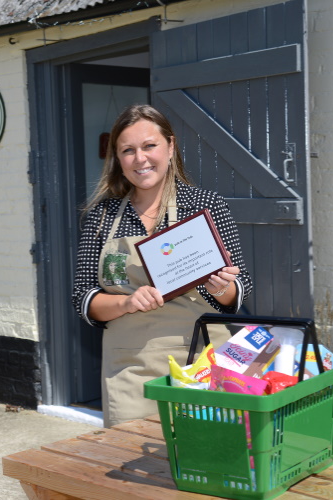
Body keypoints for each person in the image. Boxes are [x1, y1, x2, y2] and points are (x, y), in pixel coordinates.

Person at [72, 104, 253, 427]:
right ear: (118, 159)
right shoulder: (103, 216)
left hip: (200, 363)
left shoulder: (205, 206)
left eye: (149, 146)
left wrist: (222, 286)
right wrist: (126, 302)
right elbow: (84, 299)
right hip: (131, 370)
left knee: (206, 461)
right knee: (132, 465)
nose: (140, 158)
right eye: (128, 150)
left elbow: (238, 292)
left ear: (170, 147)